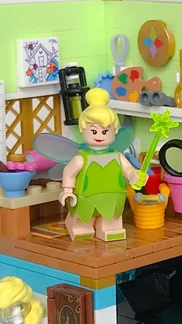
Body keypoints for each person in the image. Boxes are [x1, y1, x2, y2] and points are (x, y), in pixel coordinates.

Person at [59, 88, 138, 242]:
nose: (100, 136)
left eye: (105, 131)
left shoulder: (117, 156)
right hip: (86, 198)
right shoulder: (81, 159)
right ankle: (79, 227)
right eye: (94, 131)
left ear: (114, 131)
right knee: (83, 219)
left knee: (111, 219)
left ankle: (110, 229)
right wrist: (67, 191)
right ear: (83, 130)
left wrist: (134, 175)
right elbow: (69, 173)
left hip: (112, 197)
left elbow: (128, 170)